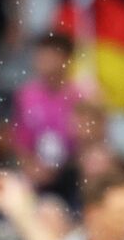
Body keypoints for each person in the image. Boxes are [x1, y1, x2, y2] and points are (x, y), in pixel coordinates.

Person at [13, 34, 80, 190]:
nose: (46, 62)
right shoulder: (25, 96)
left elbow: (88, 142)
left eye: (53, 56)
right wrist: (31, 167)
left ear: (67, 59)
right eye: (42, 56)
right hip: (33, 173)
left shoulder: (81, 96)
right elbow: (18, 141)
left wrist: (64, 168)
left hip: (71, 172)